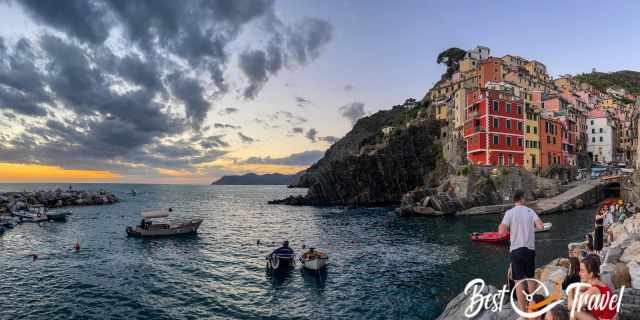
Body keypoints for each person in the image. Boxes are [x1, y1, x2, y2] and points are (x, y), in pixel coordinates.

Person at [498, 190, 545, 313]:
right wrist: (530, 228)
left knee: (518, 281)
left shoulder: (509, 213)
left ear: (514, 200)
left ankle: (523, 311)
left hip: (516, 250)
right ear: (522, 199)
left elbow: (501, 231)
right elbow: (541, 226)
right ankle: (533, 306)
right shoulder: (530, 211)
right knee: (530, 278)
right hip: (529, 249)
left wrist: (509, 230)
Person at [566, 254, 617, 320]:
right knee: (582, 308)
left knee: (574, 312)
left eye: (582, 271)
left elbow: (570, 306)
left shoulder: (593, 290)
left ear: (591, 274)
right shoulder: (600, 283)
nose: (579, 273)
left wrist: (570, 289)